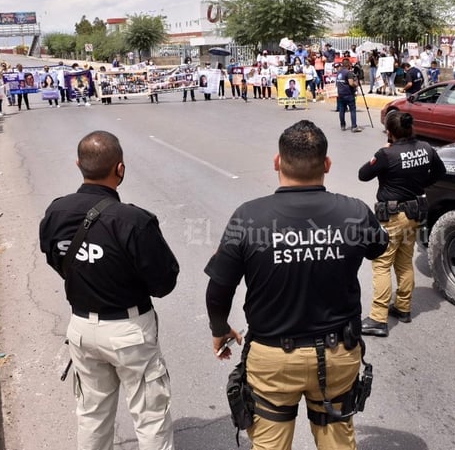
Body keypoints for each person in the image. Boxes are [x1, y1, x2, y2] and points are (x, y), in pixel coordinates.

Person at [204, 120, 388, 450]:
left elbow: (219, 287)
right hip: (338, 355)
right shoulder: (354, 212)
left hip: (273, 359)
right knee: (338, 442)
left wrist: (219, 327)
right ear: (327, 165)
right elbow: (379, 247)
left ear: (277, 162)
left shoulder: (247, 217)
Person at [39, 131, 179, 450]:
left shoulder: (56, 213)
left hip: (82, 330)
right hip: (130, 332)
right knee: (150, 415)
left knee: (91, 415)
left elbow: (55, 259)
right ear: (120, 169)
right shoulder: (133, 221)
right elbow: (164, 283)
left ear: (79, 165)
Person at [359, 111, 446, 336]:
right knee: (404, 260)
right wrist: (419, 184)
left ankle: (378, 318)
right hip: (415, 212)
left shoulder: (387, 154)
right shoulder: (426, 148)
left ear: (389, 131)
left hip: (394, 217)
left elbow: (363, 174)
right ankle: (402, 307)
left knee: (382, 263)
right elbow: (440, 171)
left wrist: (384, 151)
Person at [336, 61, 361, 132]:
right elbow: (351, 83)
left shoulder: (339, 72)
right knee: (352, 110)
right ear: (348, 65)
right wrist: (356, 84)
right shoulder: (348, 73)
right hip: (348, 94)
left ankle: (342, 125)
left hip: (340, 94)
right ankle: (354, 126)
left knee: (342, 110)